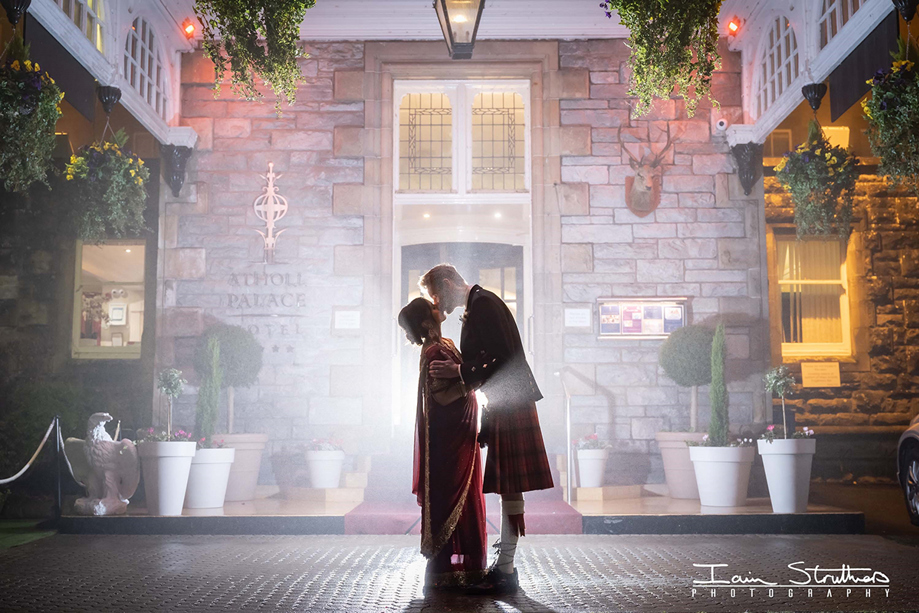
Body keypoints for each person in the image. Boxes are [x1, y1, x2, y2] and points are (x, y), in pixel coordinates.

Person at [420, 264, 554, 596]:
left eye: (437, 296)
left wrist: (458, 371)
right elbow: (493, 357)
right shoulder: (479, 303)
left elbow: (500, 357)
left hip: (511, 401)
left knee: (511, 485)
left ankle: (505, 570)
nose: (438, 305)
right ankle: (505, 568)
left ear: (449, 284)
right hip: (506, 400)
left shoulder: (484, 304)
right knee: (509, 486)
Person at [397, 297, 488, 592]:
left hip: (458, 432)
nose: (440, 306)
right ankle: (451, 571)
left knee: (462, 496)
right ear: (426, 322)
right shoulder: (435, 350)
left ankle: (462, 568)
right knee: (454, 495)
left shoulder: (444, 342)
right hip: (450, 437)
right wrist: (469, 383)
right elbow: (442, 396)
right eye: (433, 307)